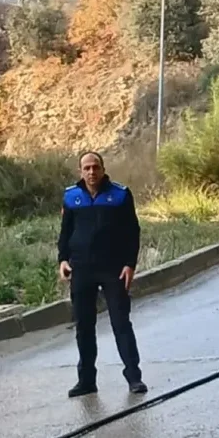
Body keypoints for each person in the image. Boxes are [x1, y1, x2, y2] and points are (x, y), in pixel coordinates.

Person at [58, 151, 148, 398]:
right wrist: (63, 260)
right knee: (84, 326)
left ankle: (134, 378)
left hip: (113, 269)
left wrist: (130, 264)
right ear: (80, 171)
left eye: (95, 167)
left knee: (121, 323)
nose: (91, 172)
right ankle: (86, 380)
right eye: (86, 168)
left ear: (103, 168)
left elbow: (133, 231)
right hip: (81, 269)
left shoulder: (120, 195)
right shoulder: (71, 197)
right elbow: (65, 233)